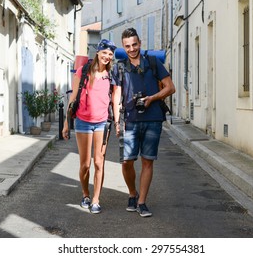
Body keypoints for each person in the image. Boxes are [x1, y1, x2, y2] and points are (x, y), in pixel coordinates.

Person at [111, 28, 175, 217]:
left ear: (140, 42)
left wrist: (152, 98)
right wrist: (117, 121)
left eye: (134, 44)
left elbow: (171, 88)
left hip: (153, 119)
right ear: (123, 47)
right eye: (127, 46)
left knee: (148, 161)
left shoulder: (154, 63)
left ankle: (141, 201)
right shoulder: (119, 67)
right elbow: (116, 96)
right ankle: (132, 193)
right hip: (129, 120)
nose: (131, 49)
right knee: (126, 162)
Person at [62, 39, 116, 214]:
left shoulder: (111, 76)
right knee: (85, 164)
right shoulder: (83, 71)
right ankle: (85, 194)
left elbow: (115, 100)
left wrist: (117, 122)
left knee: (99, 163)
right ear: (98, 53)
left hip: (102, 122)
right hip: (83, 121)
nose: (107, 57)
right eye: (104, 53)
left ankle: (96, 199)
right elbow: (73, 98)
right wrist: (65, 123)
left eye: (110, 54)